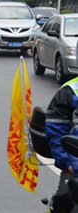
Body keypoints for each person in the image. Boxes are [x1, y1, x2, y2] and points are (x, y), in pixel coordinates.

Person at [45, 71, 78, 212]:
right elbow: (56, 129)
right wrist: (67, 163)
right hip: (75, 166)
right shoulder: (71, 90)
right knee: (64, 199)